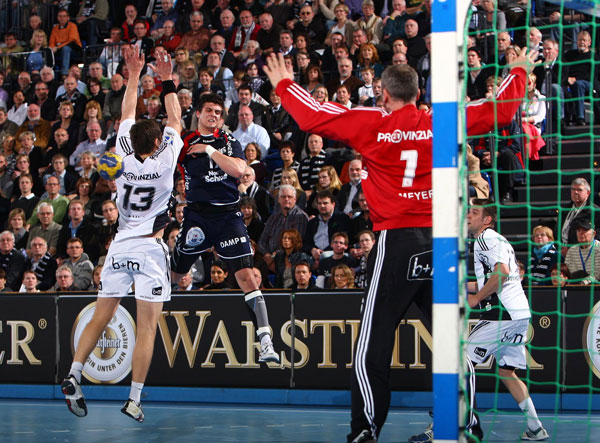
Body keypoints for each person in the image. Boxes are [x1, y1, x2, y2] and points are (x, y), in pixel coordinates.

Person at [263, 47, 535, 442]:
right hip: (441, 242)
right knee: (452, 339)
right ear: (419, 93)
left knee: (372, 343)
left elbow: (313, 116)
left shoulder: (373, 122)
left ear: (384, 95)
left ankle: (365, 428)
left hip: (397, 240)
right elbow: (500, 111)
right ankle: (465, 422)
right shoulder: (441, 120)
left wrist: (284, 84)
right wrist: (518, 71)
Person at [61, 46, 183, 423]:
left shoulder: (123, 157)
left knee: (101, 316)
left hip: (119, 245)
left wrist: (133, 75)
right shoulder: (166, 161)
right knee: (146, 327)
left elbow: (127, 112)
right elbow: (176, 118)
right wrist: (166, 79)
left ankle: (74, 373)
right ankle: (134, 399)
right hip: (149, 249)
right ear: (157, 143)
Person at [172, 92, 280, 365]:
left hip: (228, 217)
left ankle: (266, 341)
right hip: (197, 216)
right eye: (209, 110)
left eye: (218, 113)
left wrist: (209, 150)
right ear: (198, 113)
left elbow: (238, 170)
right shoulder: (185, 141)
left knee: (247, 277)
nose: (214, 116)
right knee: (175, 274)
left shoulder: (229, 141)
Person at [466, 199, 549, 441]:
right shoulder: (497, 239)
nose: (468, 216)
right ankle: (536, 428)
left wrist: (476, 298)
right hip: (519, 313)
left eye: (474, 212)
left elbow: (501, 274)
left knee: (459, 363)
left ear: (487, 220)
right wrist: (460, 284)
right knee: (506, 372)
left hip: (501, 313)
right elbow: (493, 278)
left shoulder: (484, 239)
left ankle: (456, 421)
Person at [564, 219, 600, 285]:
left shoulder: (598, 248)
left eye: (585, 230)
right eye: (578, 230)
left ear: (594, 233)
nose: (581, 233)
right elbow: (567, 272)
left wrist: (583, 282)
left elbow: (598, 275)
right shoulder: (571, 250)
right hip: (575, 286)